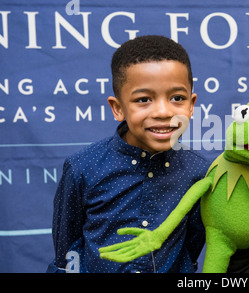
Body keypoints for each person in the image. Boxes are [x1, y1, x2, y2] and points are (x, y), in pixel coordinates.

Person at [46, 35, 209, 273]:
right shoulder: (83, 167)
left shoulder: (199, 172)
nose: (163, 111)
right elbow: (67, 252)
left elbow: (193, 244)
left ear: (192, 105)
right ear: (118, 107)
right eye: (144, 99)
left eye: (177, 98)